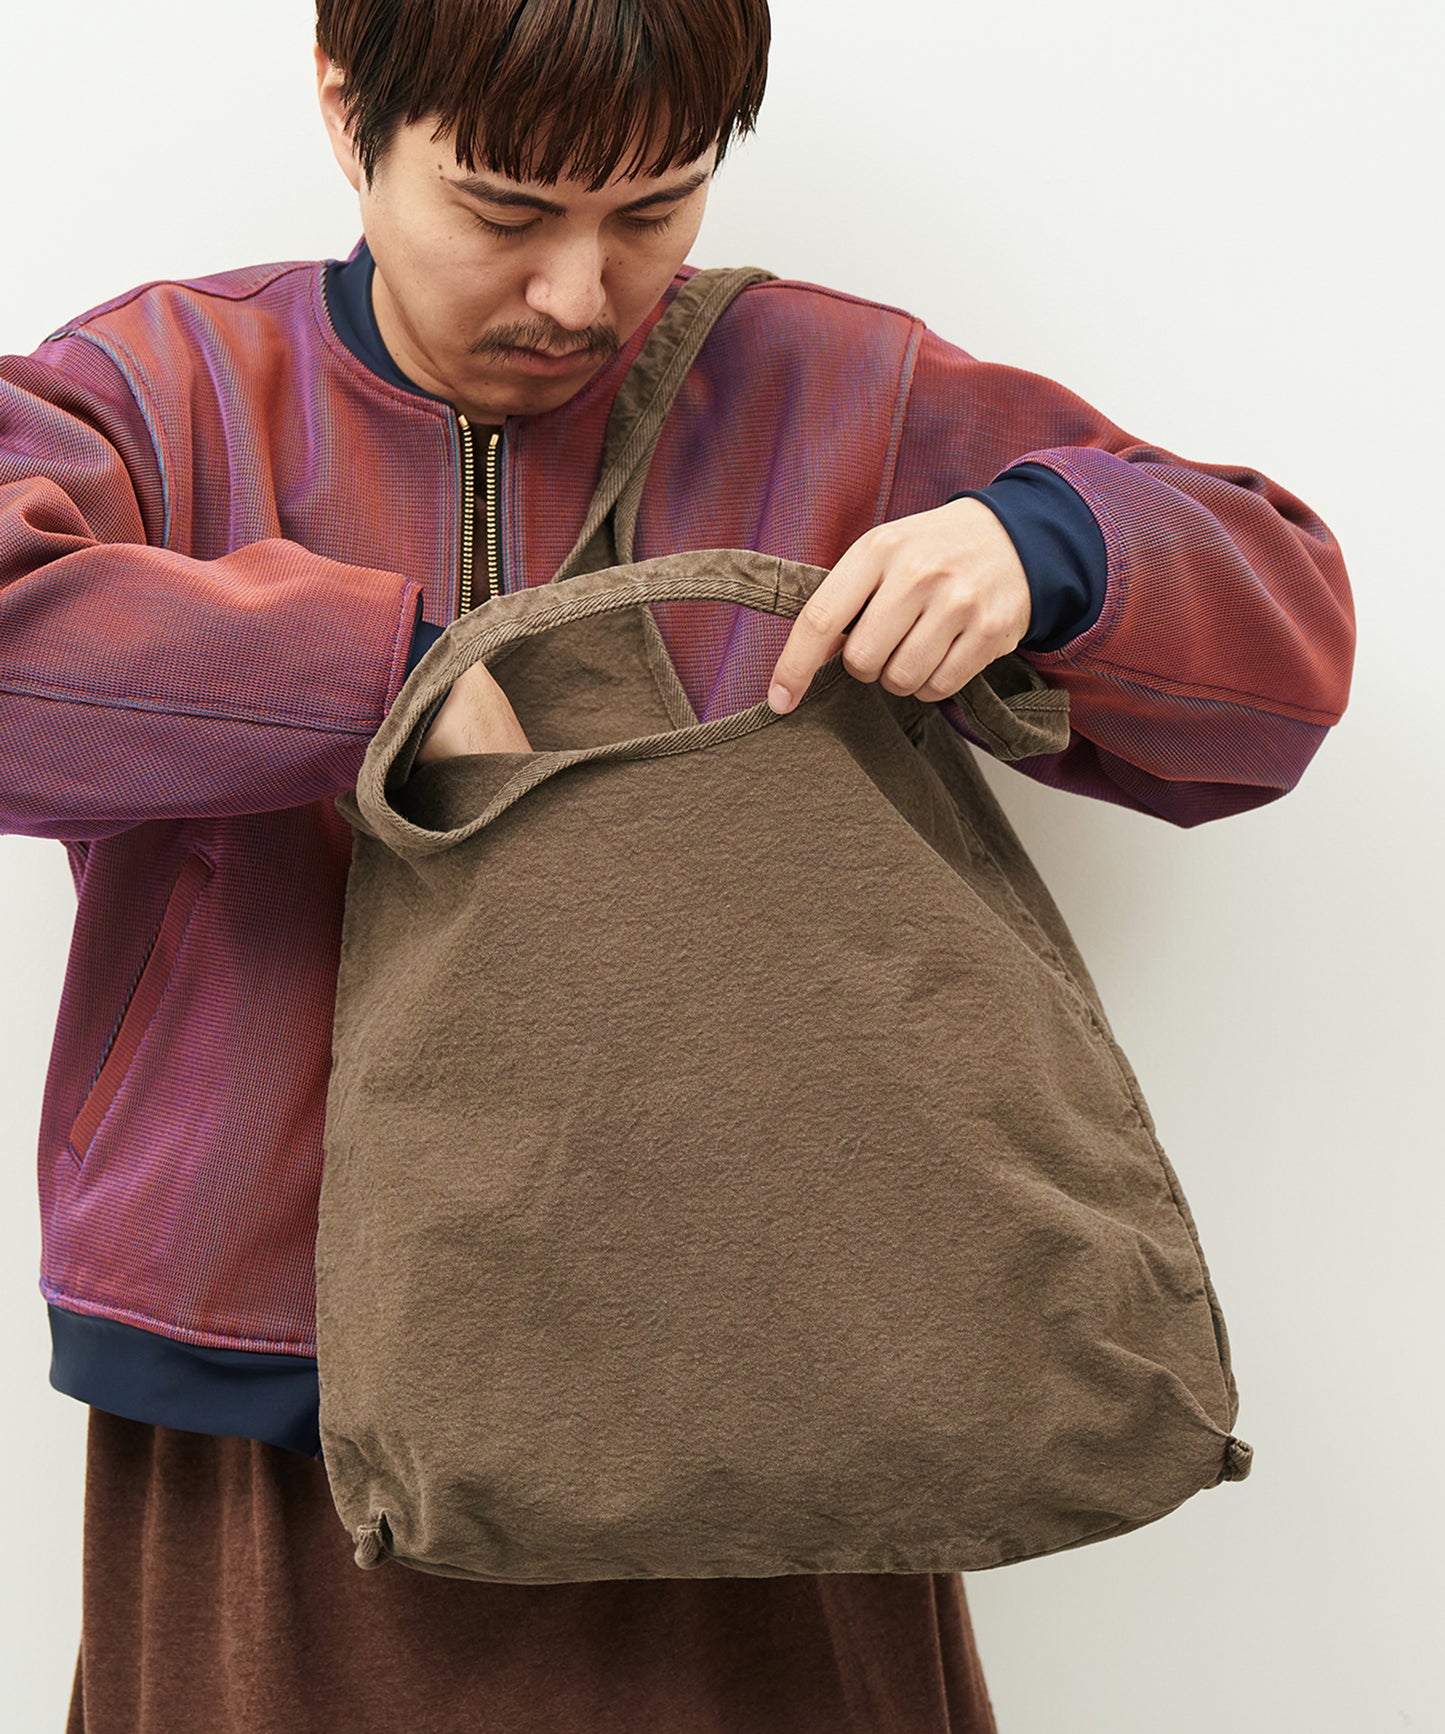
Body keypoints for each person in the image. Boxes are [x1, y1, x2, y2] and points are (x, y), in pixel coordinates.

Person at [0, 1, 1355, 1728]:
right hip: (279, 1409)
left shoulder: (828, 392)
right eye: (502, 209)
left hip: (777, 1359)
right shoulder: (166, 393)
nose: (578, 292)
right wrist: (379, 670)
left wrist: (1052, 547)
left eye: (653, 208)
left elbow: (1279, 653)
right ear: (346, 107)